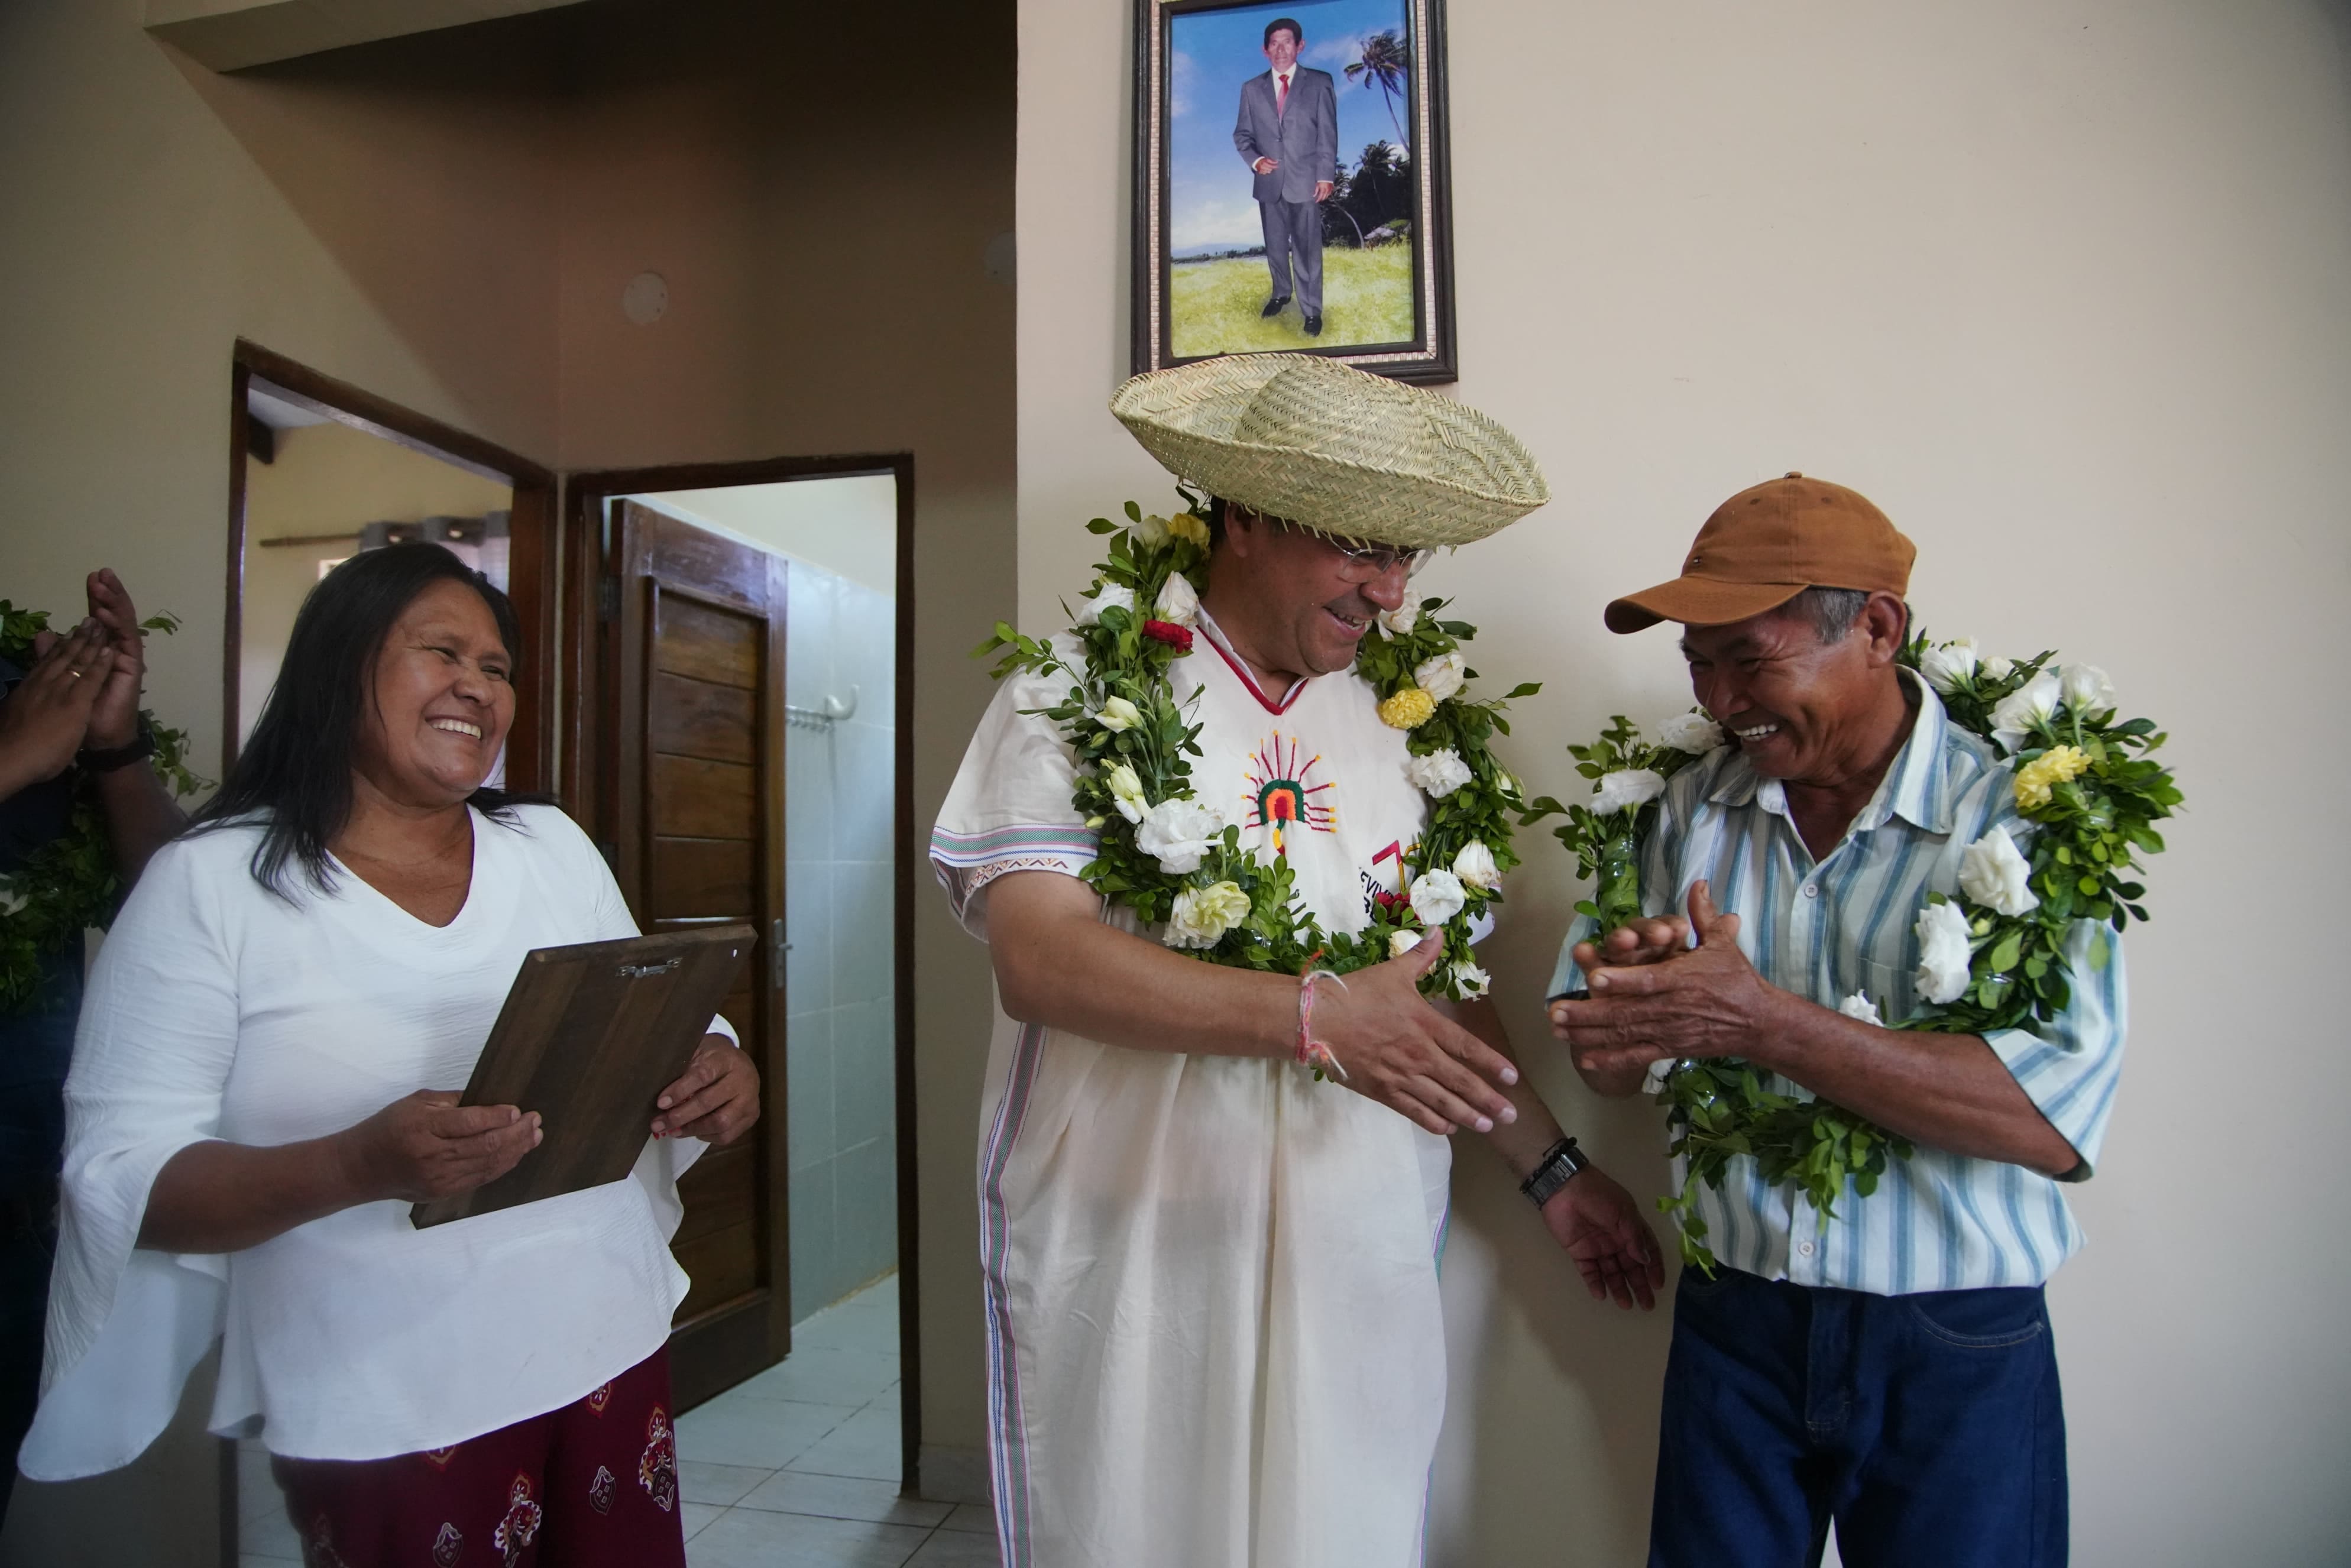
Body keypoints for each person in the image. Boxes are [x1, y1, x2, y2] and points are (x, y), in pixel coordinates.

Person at [933, 354, 1663, 1568]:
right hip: (1140, 1247)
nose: (1384, 589)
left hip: (1349, 1233)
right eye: (1355, 546)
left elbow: (1430, 999)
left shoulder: (1407, 726)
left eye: (1404, 555)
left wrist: (1553, 1173)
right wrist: (1314, 1015)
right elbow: (1039, 960)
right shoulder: (1074, 693)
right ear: (1246, 515)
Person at [20, 544, 760, 1567]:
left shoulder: (549, 847)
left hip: (602, 1340)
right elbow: (119, 1180)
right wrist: (357, 1164)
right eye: (441, 652)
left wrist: (720, 1064)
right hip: (384, 1388)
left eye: (497, 667)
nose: (476, 685)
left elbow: (651, 1019)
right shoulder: (213, 886)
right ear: (340, 668)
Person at [1549, 474, 2126, 1568]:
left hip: (1955, 1336)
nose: (1721, 701)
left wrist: (1760, 1020)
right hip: (1735, 1323)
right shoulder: (1686, 806)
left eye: (1751, 659)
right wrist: (1627, 1021)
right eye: (1699, 664)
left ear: (1876, 626)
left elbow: (2050, 1119)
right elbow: (1602, 1057)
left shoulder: (2021, 810)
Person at [0, 570, 185, 1518]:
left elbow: (169, 908)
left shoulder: (22, 670)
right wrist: (8, 764)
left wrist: (112, 747)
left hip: (27, 1191)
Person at [1232, 16, 1338, 336]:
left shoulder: (1320, 83)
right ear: (1265, 50)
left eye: (1287, 42)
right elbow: (1242, 136)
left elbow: (1328, 134)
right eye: (1274, 44)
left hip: (1307, 182)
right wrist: (1256, 161)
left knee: (1307, 250)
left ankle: (1311, 311)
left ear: (1300, 46)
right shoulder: (1251, 89)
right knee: (1276, 247)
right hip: (1269, 184)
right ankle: (1281, 294)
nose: (1281, 49)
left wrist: (1326, 175)